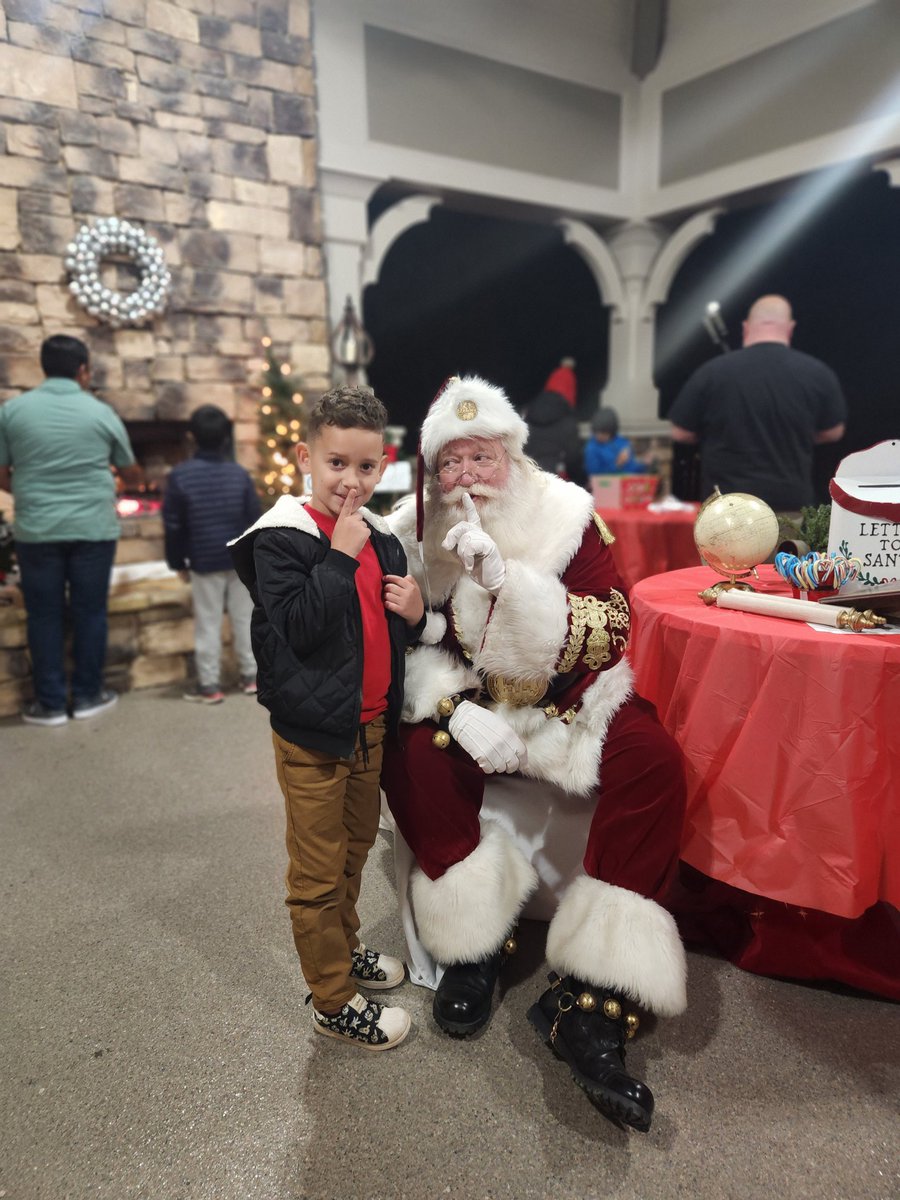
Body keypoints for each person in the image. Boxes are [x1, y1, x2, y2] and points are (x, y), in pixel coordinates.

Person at [381, 375, 687, 1132]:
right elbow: (400, 648)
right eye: (448, 464)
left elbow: (609, 626)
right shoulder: (409, 532)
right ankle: (474, 943)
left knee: (654, 761)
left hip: (573, 703)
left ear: (511, 455)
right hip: (477, 704)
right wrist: (454, 708)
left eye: (479, 457)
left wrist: (506, 584)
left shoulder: (566, 515)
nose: (465, 477)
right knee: (410, 757)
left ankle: (592, 997)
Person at [229, 385, 425, 1051]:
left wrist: (417, 614)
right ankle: (332, 999)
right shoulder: (281, 540)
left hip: (369, 726)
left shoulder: (385, 542)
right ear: (304, 457)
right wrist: (339, 553)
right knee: (315, 874)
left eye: (365, 467)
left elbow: (389, 637)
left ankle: (345, 950)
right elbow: (304, 630)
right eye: (336, 463)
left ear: (384, 464)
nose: (351, 480)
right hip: (313, 737)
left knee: (356, 850)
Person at [0, 335, 141, 726]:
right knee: (90, 611)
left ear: (43, 367)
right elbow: (129, 470)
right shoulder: (100, 412)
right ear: (83, 371)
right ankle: (87, 695)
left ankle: (48, 704)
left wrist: (33, 493)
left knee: (42, 615)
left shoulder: (13, 412)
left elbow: (2, 473)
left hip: (36, 530)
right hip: (93, 528)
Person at [667, 294, 847, 509]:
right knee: (790, 544)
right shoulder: (818, 374)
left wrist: (715, 433)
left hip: (726, 509)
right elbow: (834, 431)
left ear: (746, 327)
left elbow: (679, 432)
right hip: (790, 505)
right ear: (790, 328)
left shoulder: (711, 373)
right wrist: (799, 433)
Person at [162, 405, 261, 704]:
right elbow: (253, 519)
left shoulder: (180, 477)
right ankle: (251, 677)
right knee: (245, 620)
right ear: (225, 438)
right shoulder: (239, 475)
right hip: (239, 560)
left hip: (203, 561)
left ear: (192, 437)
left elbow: (174, 526)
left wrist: (177, 562)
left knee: (207, 622)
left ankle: (209, 685)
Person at [521, 357, 581, 481]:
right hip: (553, 482)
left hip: (526, 480)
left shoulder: (528, 414)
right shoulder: (567, 421)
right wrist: (580, 481)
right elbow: (573, 459)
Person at [583, 407, 648, 476]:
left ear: (611, 431)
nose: (599, 436)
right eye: (597, 432)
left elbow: (631, 468)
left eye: (604, 433)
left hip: (626, 482)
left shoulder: (623, 443)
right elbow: (594, 473)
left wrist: (644, 464)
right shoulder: (592, 447)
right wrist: (617, 464)